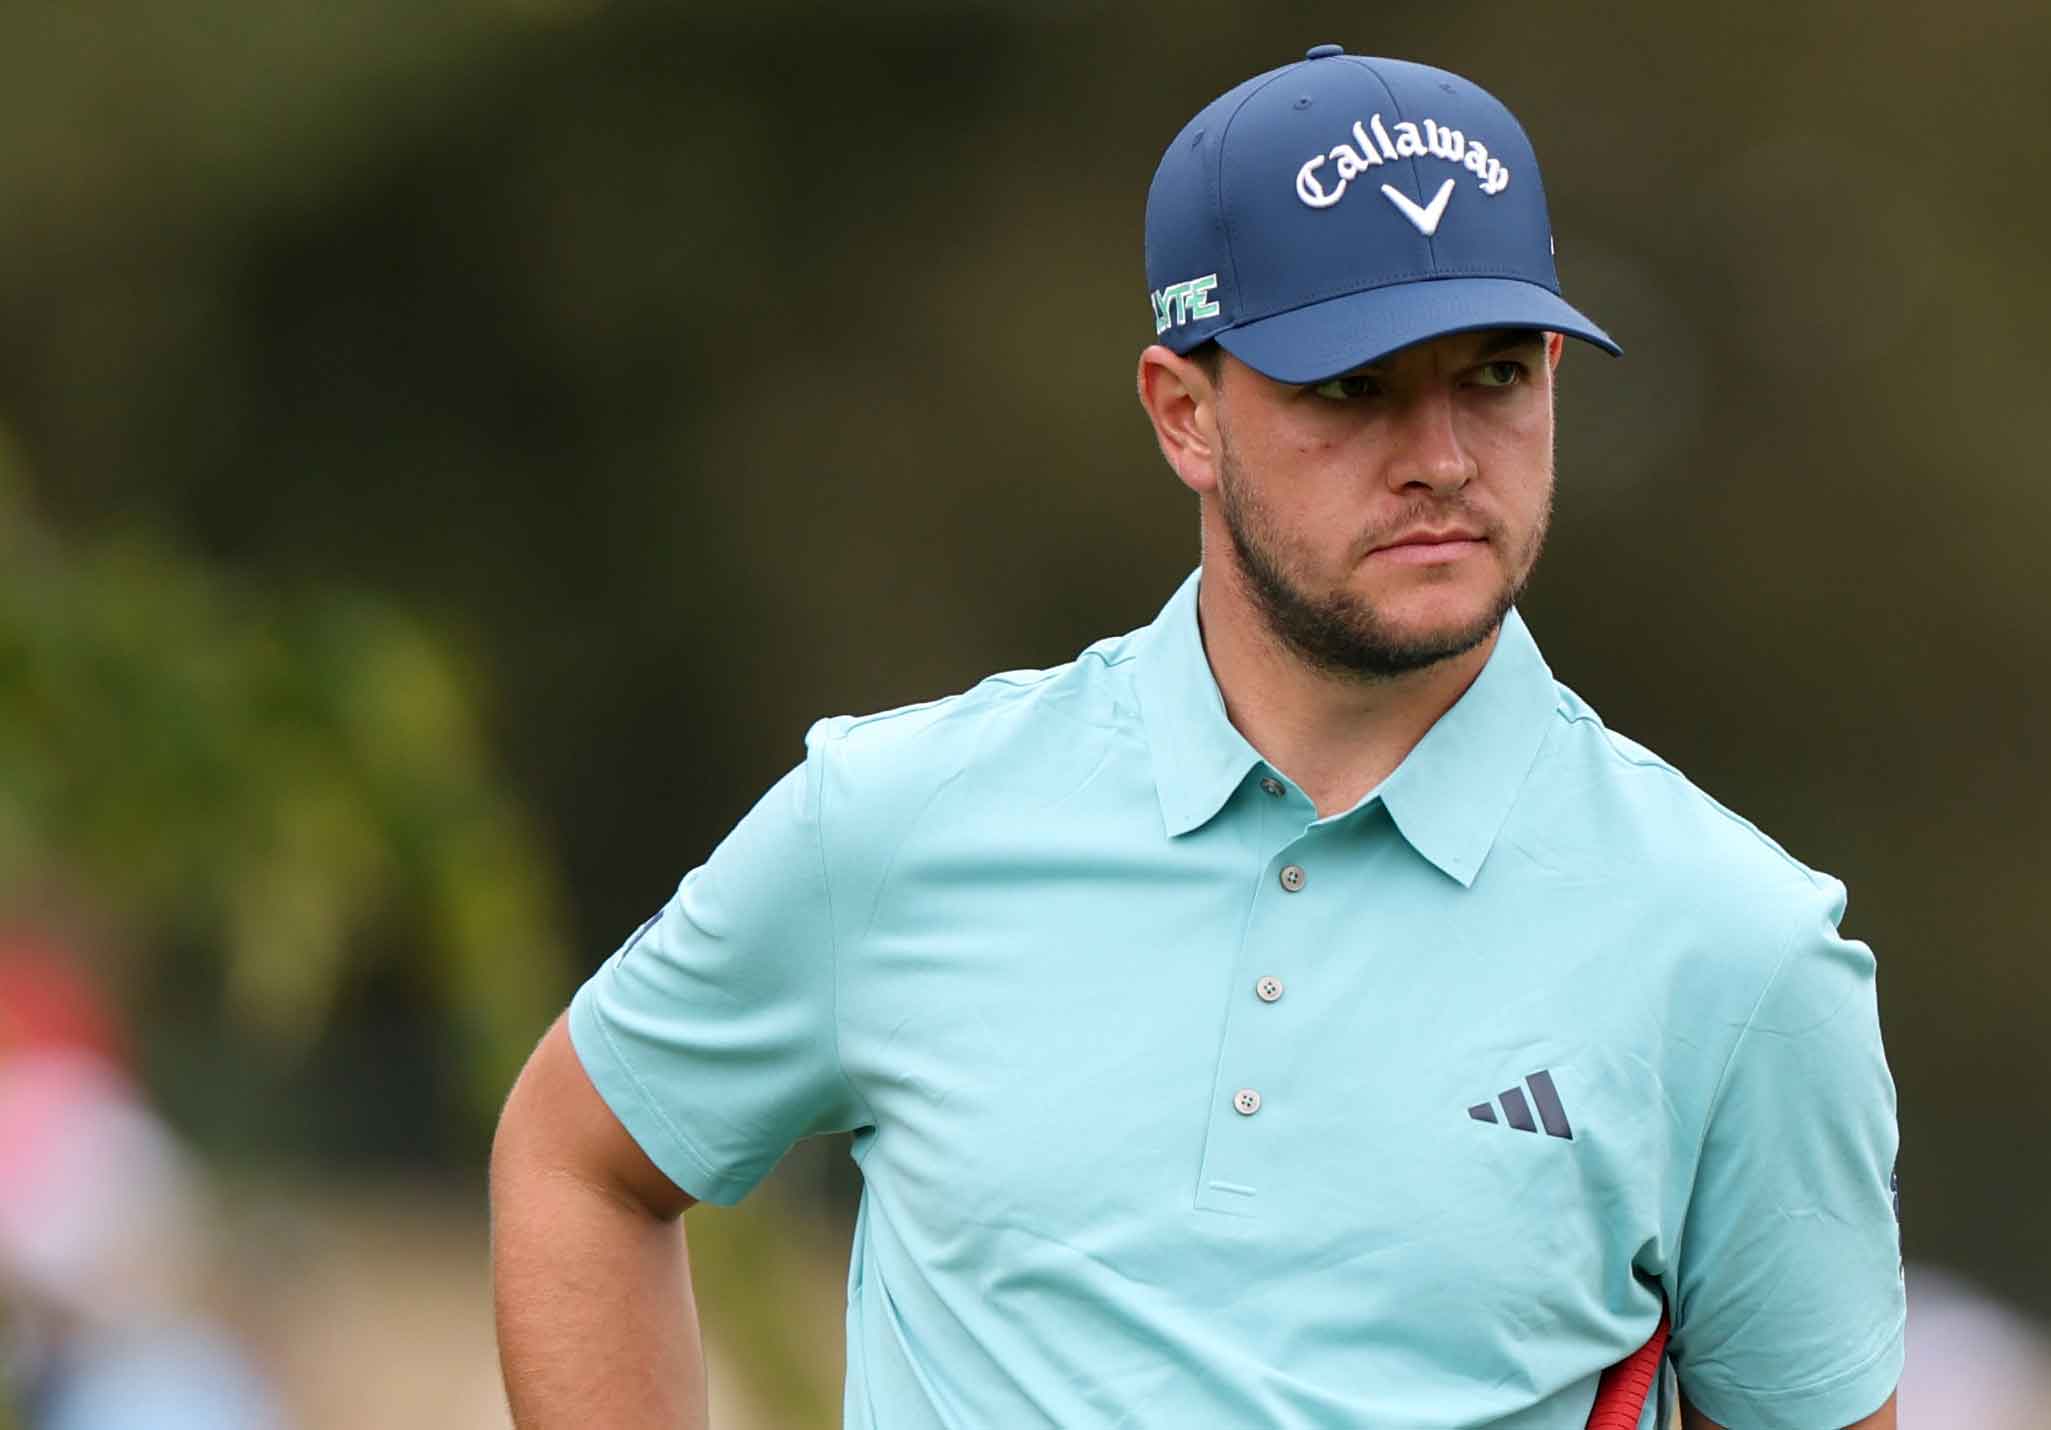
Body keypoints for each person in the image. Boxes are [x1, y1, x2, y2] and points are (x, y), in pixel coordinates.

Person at [491, 45, 1902, 1430]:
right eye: (1349, 387)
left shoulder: (1736, 946)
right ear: (1185, 415)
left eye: (1492, 376)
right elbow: (579, 1158)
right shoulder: (892, 823)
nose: (1443, 456)